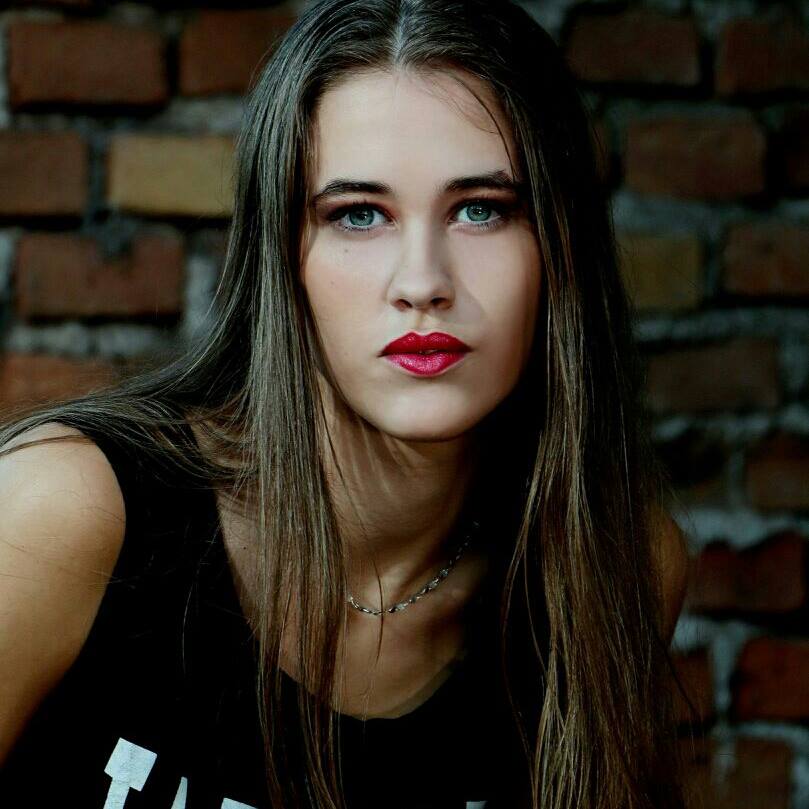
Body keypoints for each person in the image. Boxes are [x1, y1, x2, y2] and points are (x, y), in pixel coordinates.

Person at [0, 0, 690, 807]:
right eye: (358, 215)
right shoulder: (63, 510)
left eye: (481, 209)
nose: (422, 282)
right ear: (283, 255)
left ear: (559, 245)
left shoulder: (609, 564)